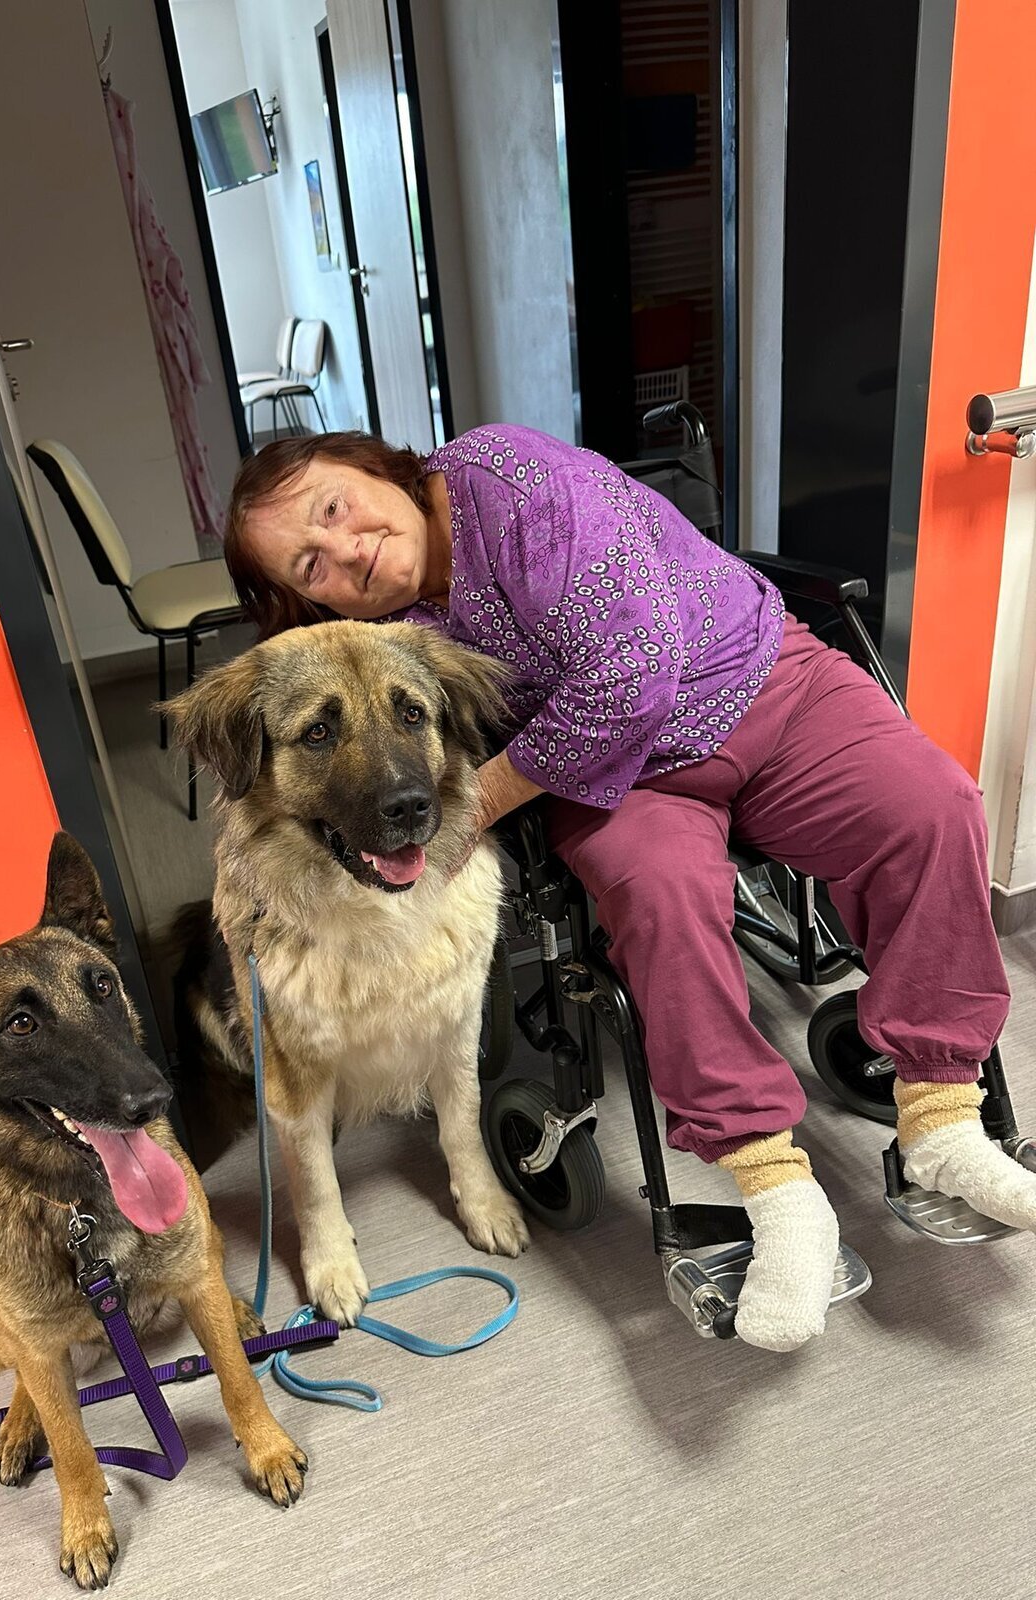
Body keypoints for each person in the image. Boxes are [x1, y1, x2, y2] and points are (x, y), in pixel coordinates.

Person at [221, 422, 1026, 1352]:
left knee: (932, 807)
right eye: (309, 565)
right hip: (623, 780)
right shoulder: (380, 644)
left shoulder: (510, 481)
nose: (347, 551)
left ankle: (942, 1120)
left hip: (762, 682)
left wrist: (472, 807)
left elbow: (629, 674)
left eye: (334, 507)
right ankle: (777, 1192)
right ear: (304, 599)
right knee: (659, 900)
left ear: (379, 469)